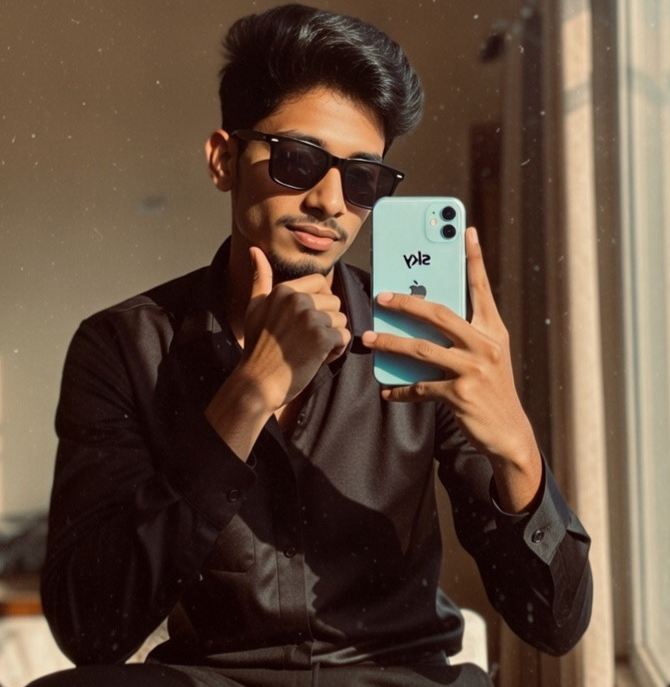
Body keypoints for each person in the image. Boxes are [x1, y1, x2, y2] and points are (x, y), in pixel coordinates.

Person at [32, 4, 592, 687]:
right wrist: (248, 395)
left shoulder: (425, 341)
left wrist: (518, 450)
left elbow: (556, 625)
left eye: (362, 178)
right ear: (223, 159)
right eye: (298, 160)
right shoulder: (123, 344)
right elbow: (90, 633)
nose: (331, 202)